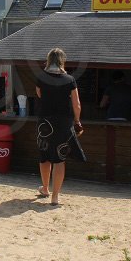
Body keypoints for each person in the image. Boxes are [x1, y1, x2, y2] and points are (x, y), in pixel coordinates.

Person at [35, 48, 86, 206]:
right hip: (63, 123)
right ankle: (55, 197)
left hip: (45, 122)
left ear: (48, 60)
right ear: (62, 61)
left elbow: (39, 95)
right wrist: (77, 121)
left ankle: (45, 188)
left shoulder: (41, 77)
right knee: (59, 158)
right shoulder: (69, 79)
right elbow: (76, 104)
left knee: (44, 156)